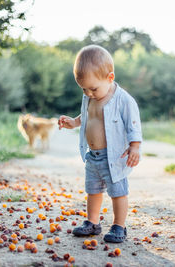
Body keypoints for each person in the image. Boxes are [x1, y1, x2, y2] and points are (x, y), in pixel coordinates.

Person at [58, 44, 142, 243]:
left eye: (93, 88)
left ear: (110, 78)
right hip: (93, 157)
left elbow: (133, 124)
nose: (88, 93)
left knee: (118, 192)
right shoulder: (90, 97)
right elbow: (87, 116)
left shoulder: (123, 100)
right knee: (93, 191)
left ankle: (119, 226)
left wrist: (135, 146)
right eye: (84, 89)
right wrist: (74, 122)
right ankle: (92, 223)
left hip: (114, 157)